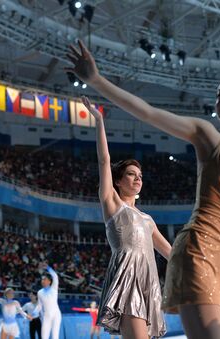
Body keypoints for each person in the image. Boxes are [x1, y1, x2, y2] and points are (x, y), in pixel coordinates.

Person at [67, 40, 220, 339]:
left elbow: (166, 248)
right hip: (198, 253)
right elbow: (148, 113)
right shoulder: (208, 137)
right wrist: (97, 80)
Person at [80, 96, 170, 338]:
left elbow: (171, 253)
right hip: (127, 276)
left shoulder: (148, 220)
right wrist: (99, 121)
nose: (138, 178)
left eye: (140, 175)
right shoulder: (113, 204)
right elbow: (104, 161)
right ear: (118, 181)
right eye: (131, 174)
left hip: (149, 280)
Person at [34, 263, 61, 339]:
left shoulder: (54, 288)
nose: (42, 281)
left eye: (44, 279)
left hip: (56, 315)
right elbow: (39, 306)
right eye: (42, 279)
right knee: (44, 337)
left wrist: (48, 268)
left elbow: (55, 276)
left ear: (49, 281)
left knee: (55, 337)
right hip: (46, 316)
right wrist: (32, 315)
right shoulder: (39, 292)